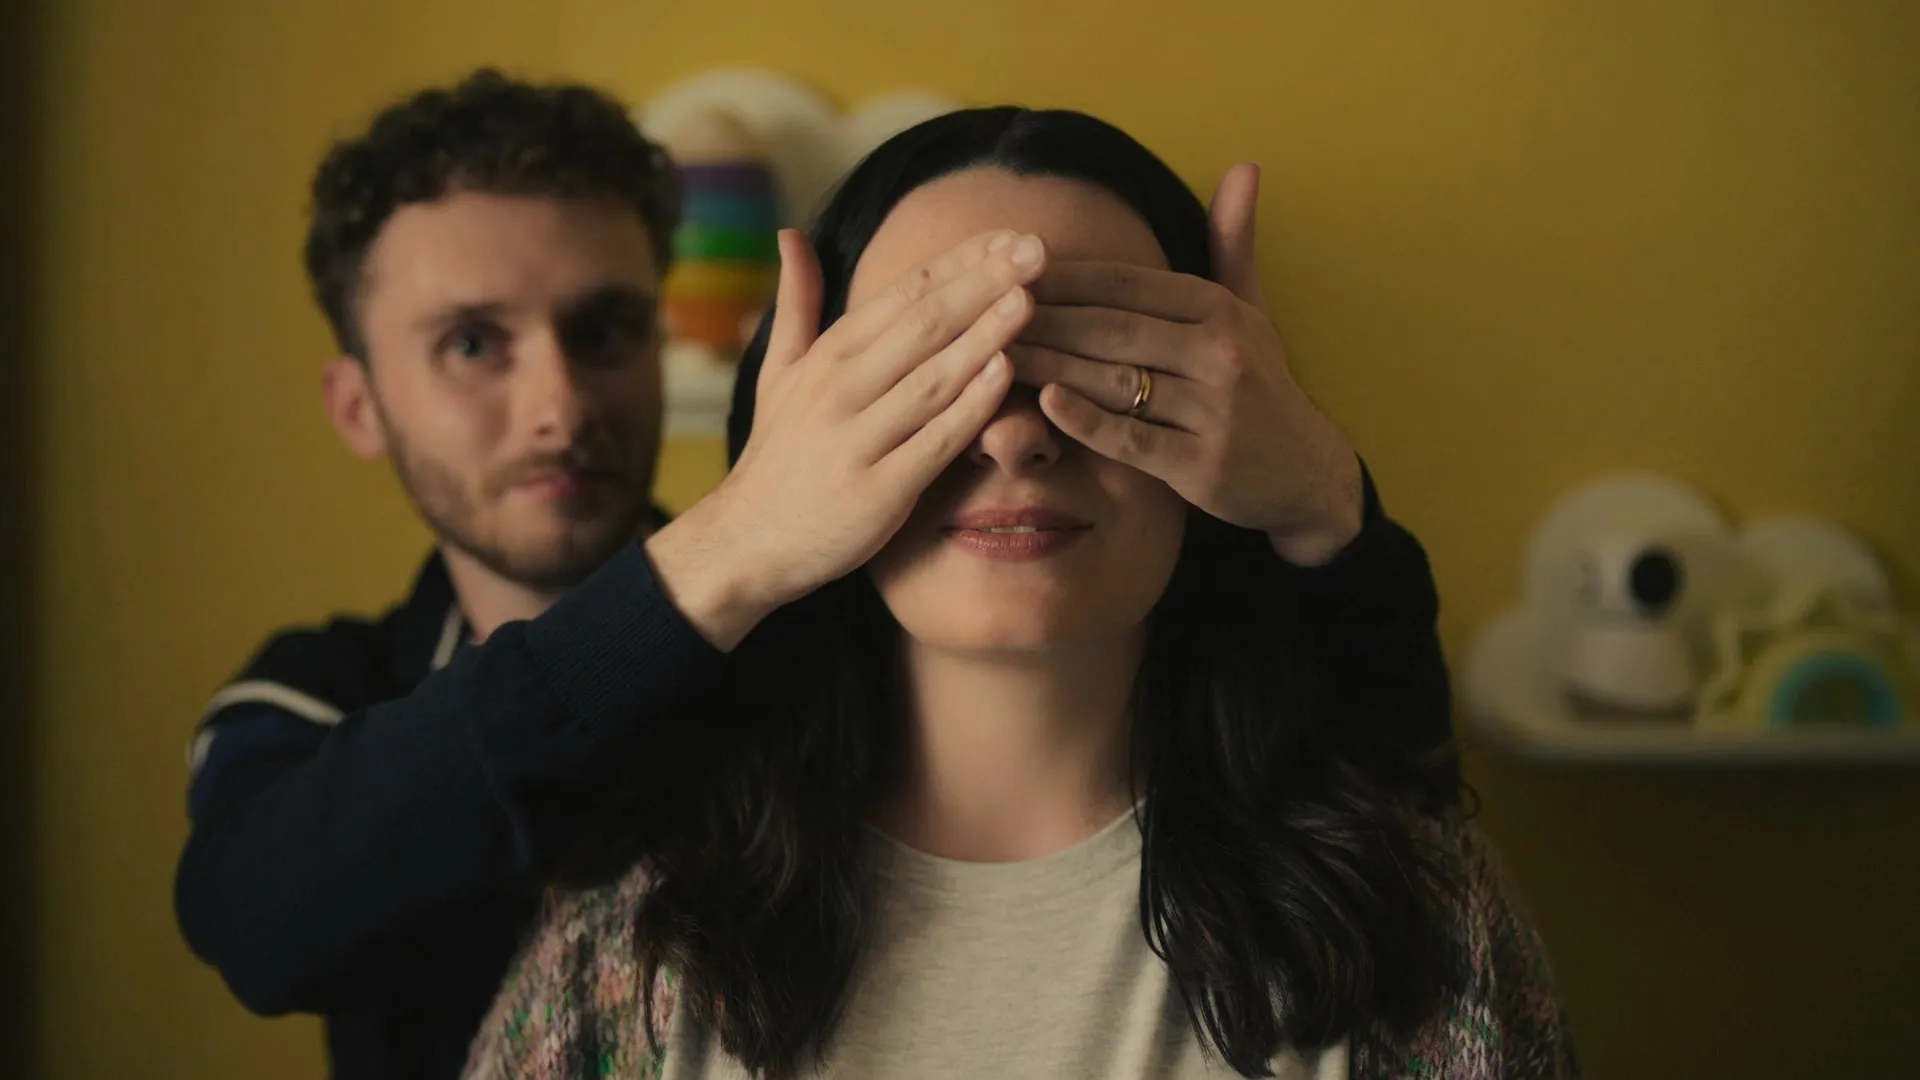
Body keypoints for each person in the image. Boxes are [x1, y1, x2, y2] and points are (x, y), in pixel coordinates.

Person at [174, 72, 1459, 1080]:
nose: (558, 402)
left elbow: (1369, 790)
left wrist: (1323, 500)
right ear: (357, 403)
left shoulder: (794, 668)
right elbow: (259, 916)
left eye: (607, 327)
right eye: (472, 345)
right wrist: (740, 543)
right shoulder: (321, 694)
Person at [464, 107, 1575, 1080]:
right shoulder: (639, 930)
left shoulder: (1407, 917)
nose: (1013, 436)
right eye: (931, 369)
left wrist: (1324, 494)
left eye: (1106, 365)